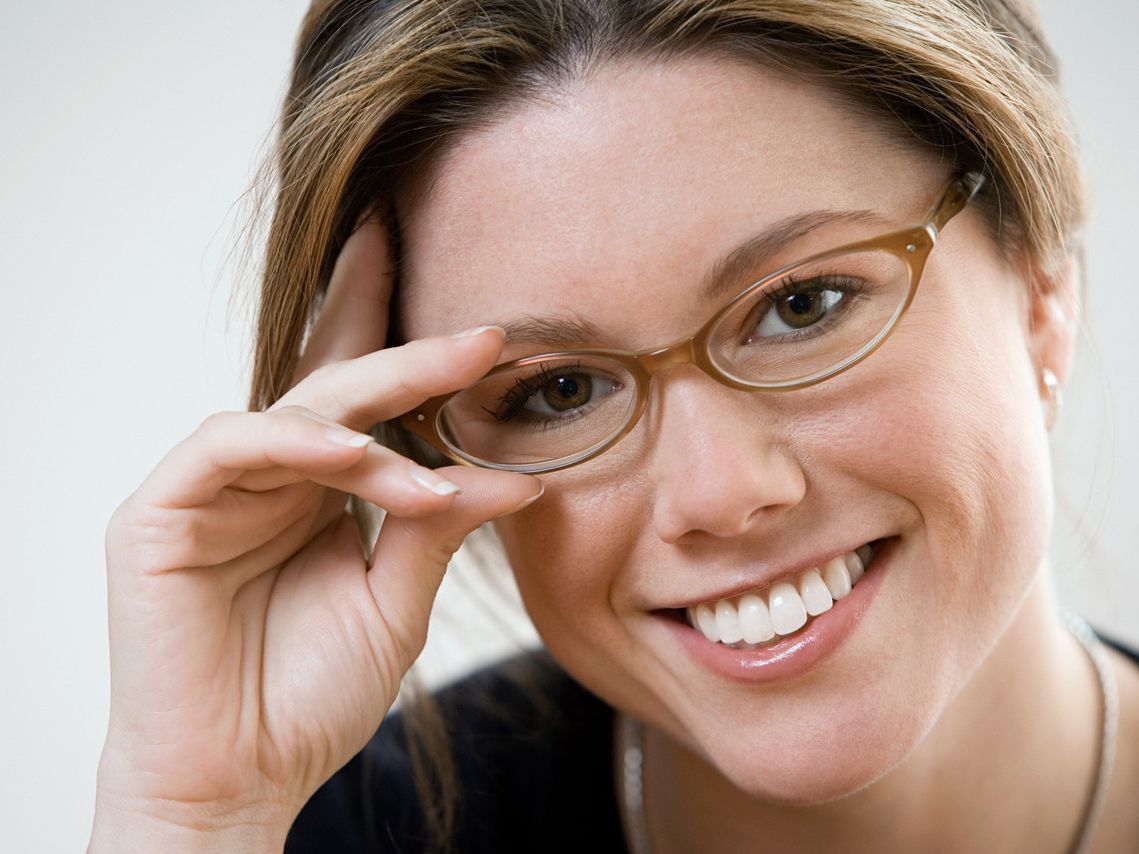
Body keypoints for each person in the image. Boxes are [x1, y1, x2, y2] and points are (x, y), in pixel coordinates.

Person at [89, 1, 1139, 852]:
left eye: (801, 305)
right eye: (557, 391)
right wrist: (194, 818)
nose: (719, 493)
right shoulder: (331, 833)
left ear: (1040, 290)